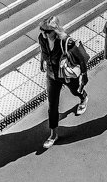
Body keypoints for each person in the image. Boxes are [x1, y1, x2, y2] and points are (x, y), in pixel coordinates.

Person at [38, 16, 90, 150]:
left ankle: (83, 97)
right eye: (42, 30)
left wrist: (84, 75)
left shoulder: (67, 41)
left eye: (47, 31)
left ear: (55, 30)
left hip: (66, 75)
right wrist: (42, 61)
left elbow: (82, 58)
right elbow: (44, 51)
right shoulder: (42, 38)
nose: (44, 33)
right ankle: (53, 134)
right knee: (52, 104)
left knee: (75, 91)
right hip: (51, 75)